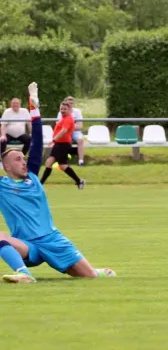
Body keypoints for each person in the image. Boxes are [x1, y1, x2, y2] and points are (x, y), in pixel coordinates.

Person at [0, 82, 114, 283]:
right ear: (6, 168)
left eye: (24, 159)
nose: (24, 162)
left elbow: (36, 140)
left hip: (53, 240)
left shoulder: (33, 177)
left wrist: (34, 107)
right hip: (28, 246)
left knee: (89, 277)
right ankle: (25, 274)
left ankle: (97, 271)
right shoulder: (2, 186)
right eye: (18, 160)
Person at [40, 101, 85, 189]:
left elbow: (64, 131)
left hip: (62, 145)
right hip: (59, 144)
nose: (63, 110)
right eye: (61, 109)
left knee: (62, 165)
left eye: (65, 109)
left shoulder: (68, 119)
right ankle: (40, 184)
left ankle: (79, 181)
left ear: (69, 110)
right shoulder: (64, 118)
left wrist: (54, 140)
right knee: (49, 163)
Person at [56, 96, 85, 166]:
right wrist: (71, 126)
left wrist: (68, 126)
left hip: (75, 132)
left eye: (72, 103)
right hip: (65, 132)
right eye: (69, 103)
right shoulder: (61, 112)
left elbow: (80, 126)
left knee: (80, 140)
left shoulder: (77, 111)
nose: (70, 105)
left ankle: (81, 161)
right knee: (61, 140)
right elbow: (59, 126)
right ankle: (61, 159)